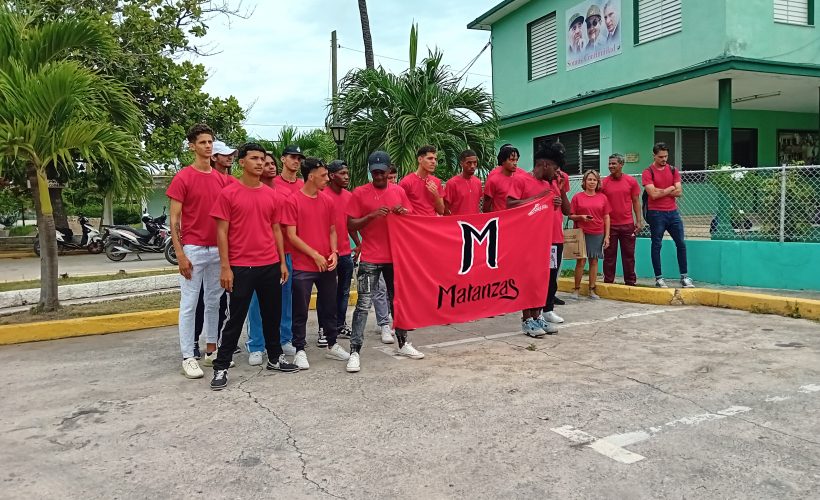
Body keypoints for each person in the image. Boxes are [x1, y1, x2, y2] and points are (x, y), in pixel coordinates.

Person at [208, 143, 300, 390]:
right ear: (241, 162)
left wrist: (282, 261)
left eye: (262, 159)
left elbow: (276, 230)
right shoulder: (229, 193)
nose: (260, 163)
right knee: (236, 318)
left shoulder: (271, 194)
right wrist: (225, 267)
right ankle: (221, 366)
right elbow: (222, 232)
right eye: (254, 158)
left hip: (269, 264)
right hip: (241, 266)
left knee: (273, 314)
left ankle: (274, 357)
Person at [346, 151, 424, 373]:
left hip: (395, 256)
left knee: (397, 302)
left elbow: (411, 218)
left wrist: (403, 211)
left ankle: (403, 343)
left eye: (382, 172)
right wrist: (370, 216)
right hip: (370, 257)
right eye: (375, 173)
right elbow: (350, 224)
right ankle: (354, 351)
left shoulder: (398, 191)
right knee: (362, 305)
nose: (378, 176)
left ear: (390, 170)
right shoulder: (359, 193)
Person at [166, 124, 234, 379]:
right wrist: (180, 254)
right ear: (192, 146)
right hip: (193, 248)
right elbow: (174, 220)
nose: (207, 146)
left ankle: (211, 351)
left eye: (210, 142)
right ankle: (187, 356)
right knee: (190, 303)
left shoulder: (221, 179)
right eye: (202, 142)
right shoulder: (183, 177)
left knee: (214, 302)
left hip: (217, 249)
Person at [281, 157, 351, 369]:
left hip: (326, 263)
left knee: (329, 305)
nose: (327, 179)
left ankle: (332, 344)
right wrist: (314, 255)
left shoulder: (327, 200)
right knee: (300, 309)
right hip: (304, 265)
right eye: (322, 176)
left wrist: (334, 252)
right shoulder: (292, 201)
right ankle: (300, 349)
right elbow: (291, 236)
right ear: (310, 176)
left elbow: (332, 230)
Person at [507, 144, 570, 337]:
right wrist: (537, 198)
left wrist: (558, 197)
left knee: (546, 280)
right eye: (554, 169)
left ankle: (537, 316)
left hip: (552, 240)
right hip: (531, 241)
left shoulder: (551, 184)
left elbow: (565, 210)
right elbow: (510, 204)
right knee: (529, 280)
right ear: (544, 164)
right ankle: (527, 320)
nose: (556, 174)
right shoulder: (520, 180)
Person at [642, 143, 695, 288]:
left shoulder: (673, 170)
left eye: (666, 156)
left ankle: (684, 277)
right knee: (656, 245)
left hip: (673, 212)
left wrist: (662, 191)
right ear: (654, 155)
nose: (664, 159)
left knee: (681, 244)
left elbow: (679, 192)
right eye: (660, 157)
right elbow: (652, 194)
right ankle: (659, 278)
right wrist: (670, 188)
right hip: (656, 214)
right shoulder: (648, 172)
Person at [244, 152, 280, 365]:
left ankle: (280, 342)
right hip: (250, 260)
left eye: (270, 163)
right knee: (254, 306)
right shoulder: (243, 191)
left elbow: (277, 227)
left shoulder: (277, 192)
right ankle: (256, 345)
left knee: (278, 305)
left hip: (277, 256)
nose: (268, 166)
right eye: (263, 163)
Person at [322, 160, 360, 341]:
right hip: (328, 253)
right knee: (326, 292)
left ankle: (340, 325)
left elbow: (350, 223)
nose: (346, 177)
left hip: (345, 252)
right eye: (342, 173)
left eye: (347, 173)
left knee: (343, 291)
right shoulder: (322, 195)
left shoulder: (349, 196)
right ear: (331, 176)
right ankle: (324, 328)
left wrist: (358, 244)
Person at [275, 145, 306, 354]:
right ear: (283, 159)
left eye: (299, 158)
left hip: (301, 250)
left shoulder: (304, 185)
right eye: (293, 157)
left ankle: (291, 337)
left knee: (296, 299)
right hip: (281, 249)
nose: (296, 161)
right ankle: (272, 339)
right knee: (278, 298)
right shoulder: (272, 184)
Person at [569, 170, 611, 300]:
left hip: (597, 232)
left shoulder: (603, 197)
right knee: (581, 261)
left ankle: (592, 290)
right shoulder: (577, 197)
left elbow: (606, 217)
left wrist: (607, 236)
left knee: (594, 261)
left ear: (598, 182)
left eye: (594, 180)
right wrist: (581, 217)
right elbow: (570, 216)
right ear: (584, 181)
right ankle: (576, 289)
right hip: (581, 232)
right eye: (589, 179)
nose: (592, 182)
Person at [601, 153, 641, 286]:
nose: (611, 166)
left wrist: (639, 221)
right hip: (610, 226)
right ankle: (608, 282)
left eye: (614, 163)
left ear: (621, 164)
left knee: (629, 256)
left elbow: (636, 201)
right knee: (609, 257)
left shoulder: (631, 181)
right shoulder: (604, 183)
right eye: (610, 163)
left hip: (627, 225)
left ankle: (630, 282)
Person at [399, 145, 445, 216]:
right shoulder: (406, 182)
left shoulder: (437, 182)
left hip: (431, 224)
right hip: (414, 224)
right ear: (420, 159)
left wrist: (435, 194)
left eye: (435, 159)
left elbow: (441, 211)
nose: (434, 162)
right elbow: (399, 207)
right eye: (430, 158)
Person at [482, 145, 521, 212]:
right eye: (511, 160)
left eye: (516, 160)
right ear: (503, 161)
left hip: (517, 219)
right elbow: (486, 208)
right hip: (501, 220)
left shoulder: (521, 178)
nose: (515, 163)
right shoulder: (493, 180)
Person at [444, 149, 482, 215]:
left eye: (475, 162)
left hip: (474, 223)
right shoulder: (452, 183)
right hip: (458, 224)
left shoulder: (478, 182)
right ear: (461, 163)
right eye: (469, 163)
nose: (472, 166)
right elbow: (445, 208)